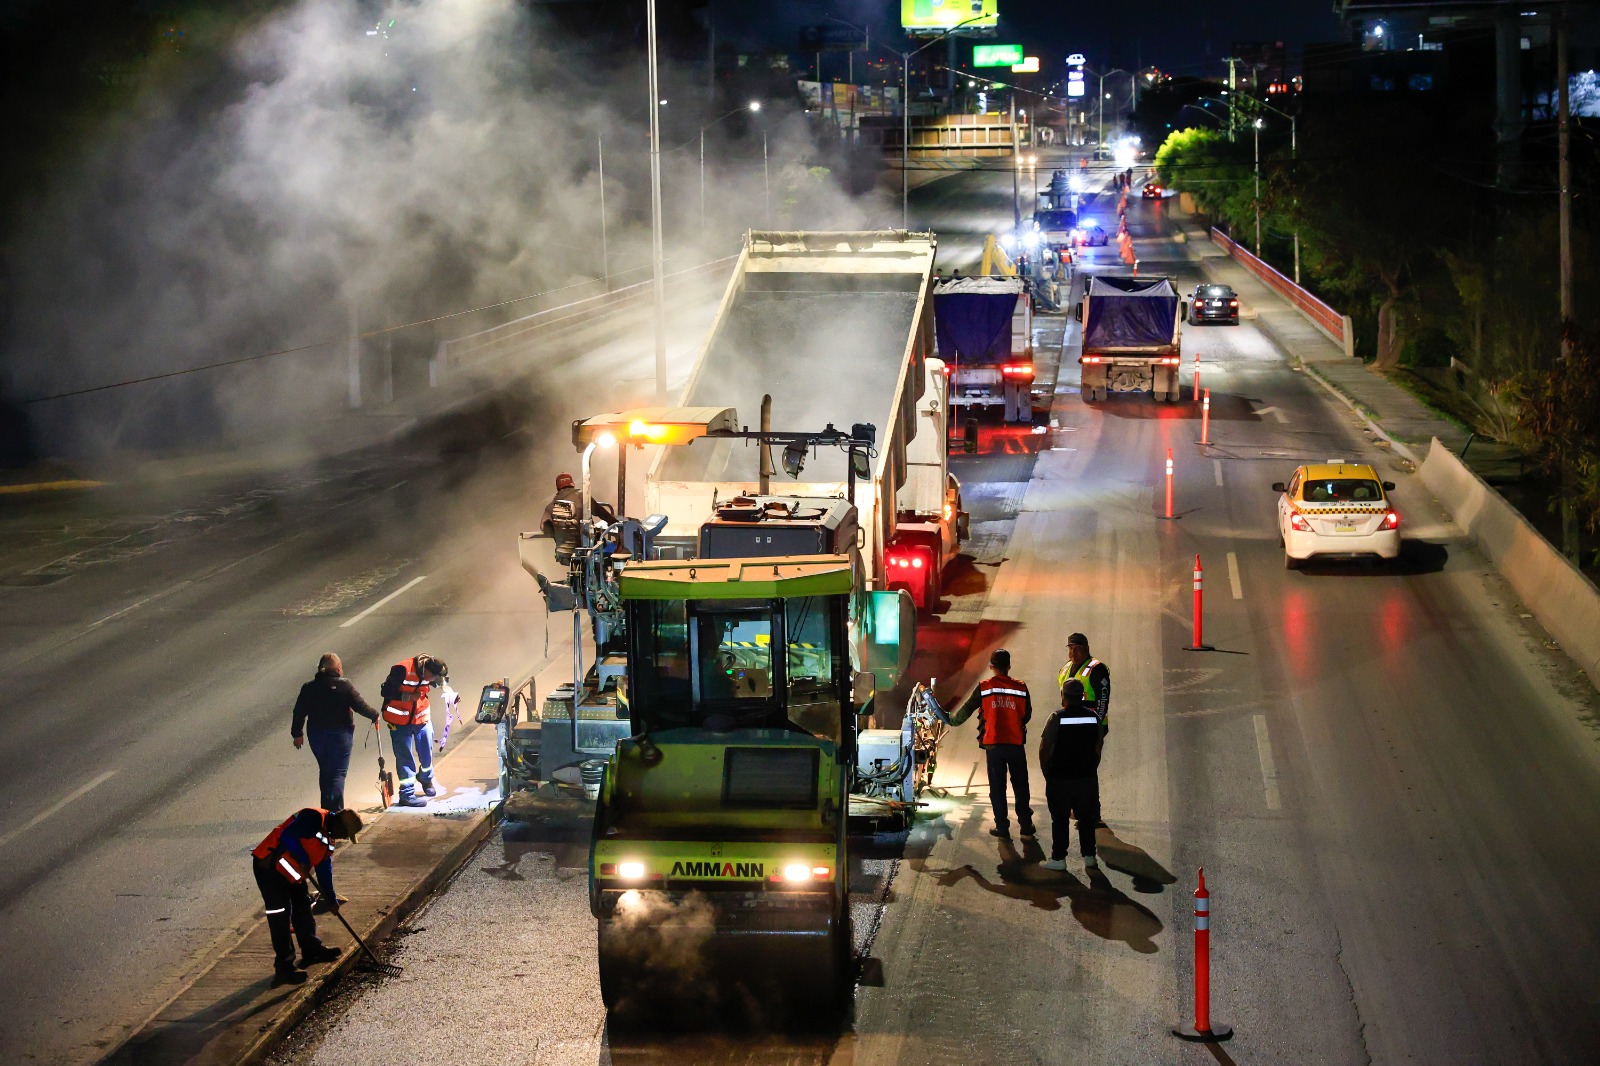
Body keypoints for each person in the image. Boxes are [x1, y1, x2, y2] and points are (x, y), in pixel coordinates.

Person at [251, 806, 363, 985]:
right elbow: (288, 836)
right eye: (345, 834)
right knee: (280, 914)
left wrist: (331, 899)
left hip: (291, 872)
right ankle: (284, 968)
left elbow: (324, 870)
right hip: (269, 867)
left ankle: (311, 950)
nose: (343, 838)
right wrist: (303, 857)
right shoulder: (314, 818)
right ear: (339, 824)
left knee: (302, 905)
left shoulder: (329, 838)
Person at [949, 649, 1036, 840]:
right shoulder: (1021, 687)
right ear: (1009, 666)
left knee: (997, 786)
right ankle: (1025, 824)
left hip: (993, 745)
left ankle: (1002, 827)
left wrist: (950, 720)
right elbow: (1027, 714)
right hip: (1015, 744)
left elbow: (965, 712)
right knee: (1021, 784)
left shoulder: (984, 687)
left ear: (991, 667)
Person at [291, 653, 379, 811]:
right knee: (338, 773)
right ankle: (337, 813)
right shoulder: (344, 685)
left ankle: (325, 811)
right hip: (340, 735)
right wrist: (374, 714)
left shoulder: (309, 687)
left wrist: (297, 733)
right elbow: (360, 706)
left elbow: (299, 712)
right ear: (338, 669)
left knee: (325, 770)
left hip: (316, 734)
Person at [1038, 679, 1104, 871]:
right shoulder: (1093, 718)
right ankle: (1089, 857)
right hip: (1086, 779)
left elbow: (1044, 749)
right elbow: (1098, 747)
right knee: (1086, 818)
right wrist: (1091, 768)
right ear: (1082, 696)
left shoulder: (1056, 718)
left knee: (1059, 819)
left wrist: (1048, 774)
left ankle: (1059, 858)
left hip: (1061, 779)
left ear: (1063, 697)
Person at [379, 654, 449, 808]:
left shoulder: (432, 674)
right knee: (404, 757)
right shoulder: (402, 669)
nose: (431, 681)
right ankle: (407, 794)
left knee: (426, 752)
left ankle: (425, 778)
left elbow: (441, 683)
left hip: (421, 717)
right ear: (427, 670)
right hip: (399, 720)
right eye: (432, 677)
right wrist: (407, 696)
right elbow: (385, 691)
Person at [1057, 632, 1110, 736]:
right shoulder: (1066, 668)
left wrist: (1097, 726)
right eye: (1071, 648)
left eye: (1077, 648)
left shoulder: (1097, 669)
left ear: (1086, 649)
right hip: (1071, 725)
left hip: (1090, 726)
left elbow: (1103, 700)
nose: (1073, 652)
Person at [541, 472, 583, 563]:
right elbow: (604, 515)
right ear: (573, 484)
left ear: (558, 488)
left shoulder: (551, 506)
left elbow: (543, 526)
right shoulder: (583, 499)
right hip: (585, 551)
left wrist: (558, 532)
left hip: (563, 553)